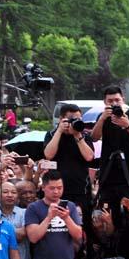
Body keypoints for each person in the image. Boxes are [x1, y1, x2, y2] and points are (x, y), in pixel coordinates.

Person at [91, 86, 129, 231]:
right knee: (108, 213)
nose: (114, 103)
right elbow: (94, 137)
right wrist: (102, 119)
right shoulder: (102, 117)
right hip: (108, 171)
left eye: (117, 100)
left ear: (123, 100)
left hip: (128, 170)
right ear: (104, 102)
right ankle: (111, 248)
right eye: (110, 101)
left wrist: (127, 125)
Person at [43, 103, 95, 241]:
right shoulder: (51, 134)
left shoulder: (84, 135)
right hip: (58, 190)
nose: (75, 122)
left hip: (81, 191)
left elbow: (89, 157)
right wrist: (60, 131)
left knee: (83, 228)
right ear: (61, 119)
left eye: (78, 119)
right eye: (71, 119)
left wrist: (77, 135)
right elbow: (48, 154)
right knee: (60, 228)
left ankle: (86, 258)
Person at [24, 170, 83, 259]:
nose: (56, 192)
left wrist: (66, 218)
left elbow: (78, 236)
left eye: (59, 188)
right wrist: (49, 217)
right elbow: (33, 237)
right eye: (52, 188)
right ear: (43, 188)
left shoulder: (71, 206)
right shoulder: (33, 208)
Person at [0, 181, 30, 259]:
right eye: (5, 192)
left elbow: (21, 235)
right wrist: (14, 231)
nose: (10, 195)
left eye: (14, 192)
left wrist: (0, 231)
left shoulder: (25, 213)